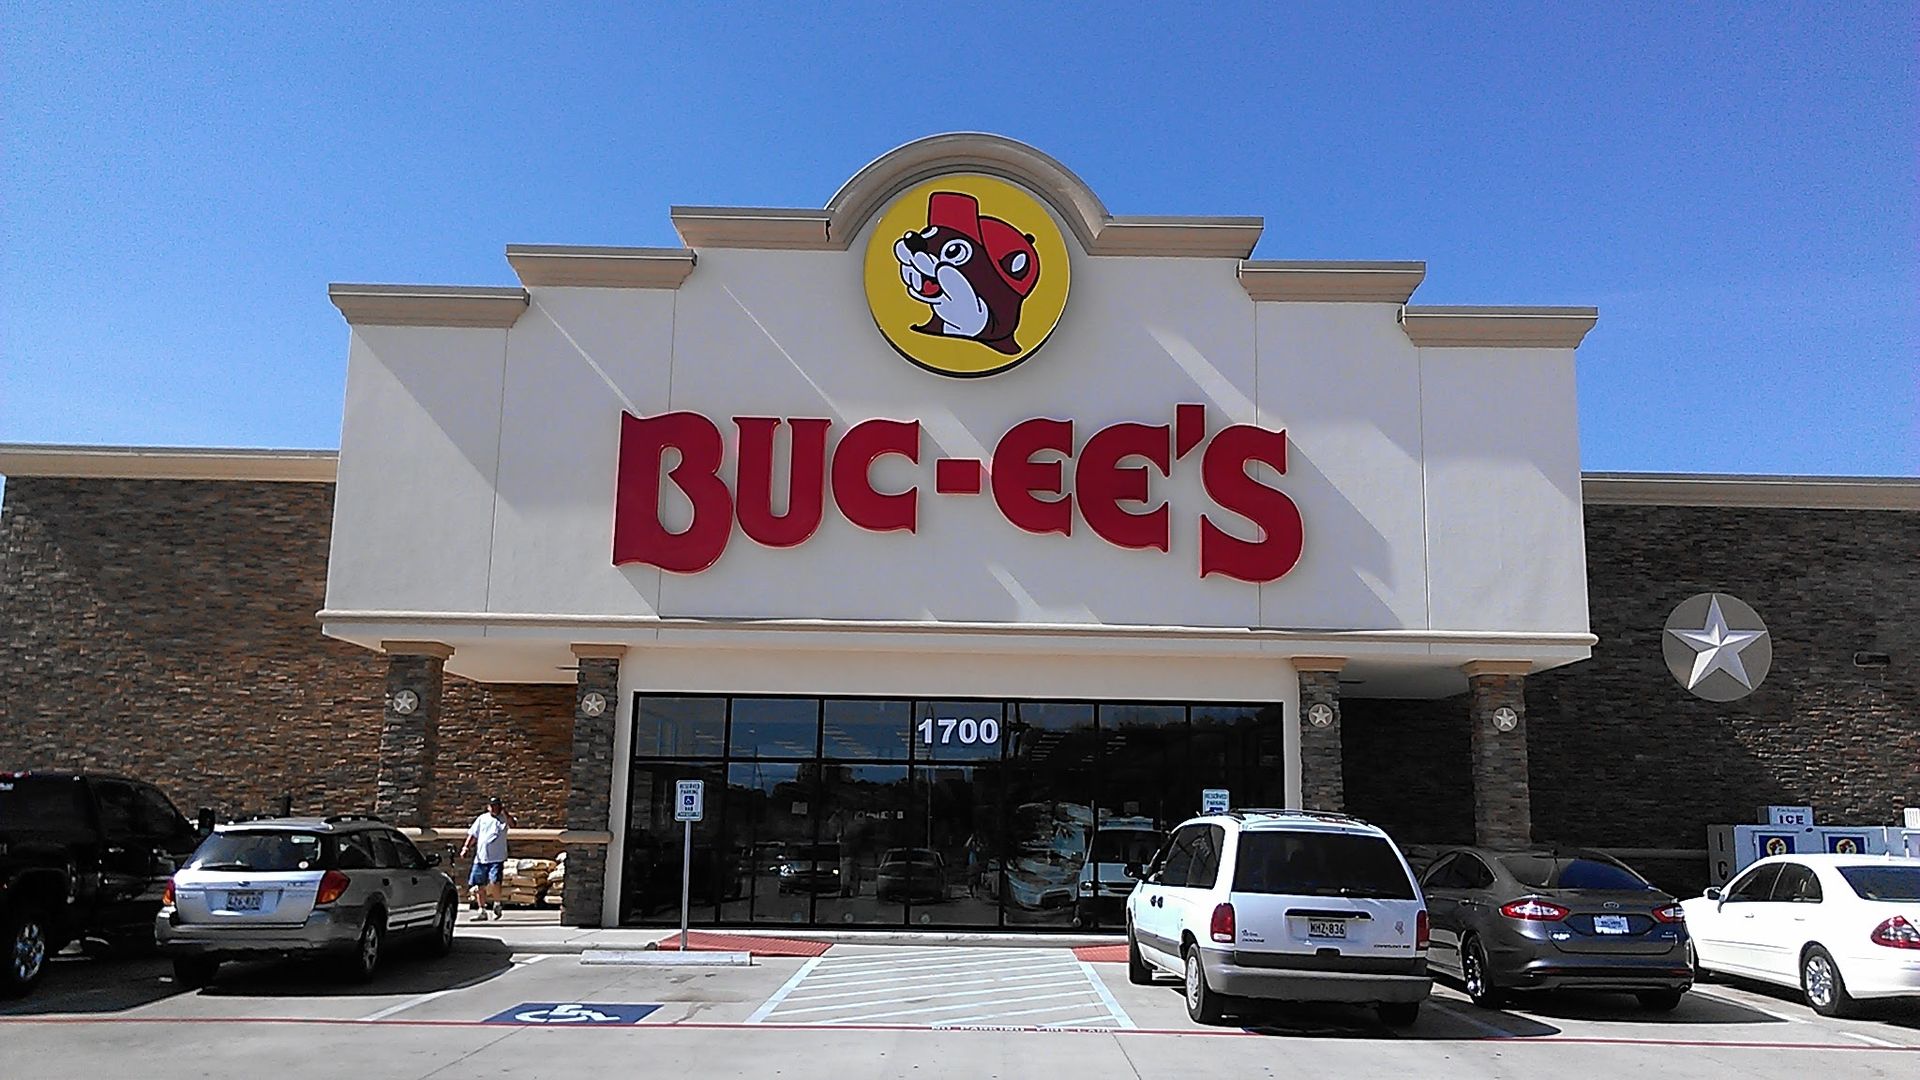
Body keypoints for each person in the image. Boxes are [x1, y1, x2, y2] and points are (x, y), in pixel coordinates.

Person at [460, 796, 515, 921]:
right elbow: (473, 834)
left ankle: (497, 904)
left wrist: (506, 813)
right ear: (488, 807)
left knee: (495, 881)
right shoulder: (482, 818)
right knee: (479, 884)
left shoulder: (504, 819)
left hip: (497, 857)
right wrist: (466, 847)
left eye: (497, 805)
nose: (494, 808)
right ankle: (482, 910)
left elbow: (513, 824)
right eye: (492, 806)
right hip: (481, 857)